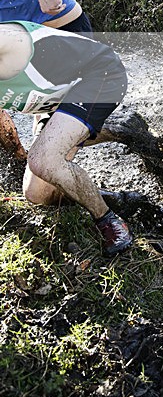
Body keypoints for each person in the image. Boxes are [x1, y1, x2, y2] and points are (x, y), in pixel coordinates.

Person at [0, 21, 133, 256]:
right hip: (56, 100)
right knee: (36, 195)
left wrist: (35, 156)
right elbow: (3, 124)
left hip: (98, 76)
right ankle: (118, 132)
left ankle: (108, 220)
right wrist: (22, 157)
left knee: (43, 160)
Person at [0, 0, 93, 161]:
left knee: (44, 179)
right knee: (39, 164)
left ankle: (120, 126)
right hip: (22, 55)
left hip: (64, 35)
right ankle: (20, 158)